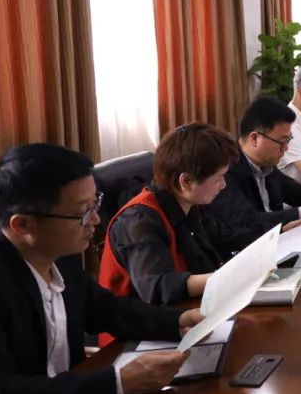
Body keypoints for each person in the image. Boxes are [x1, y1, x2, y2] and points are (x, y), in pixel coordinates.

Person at [0, 143, 206, 394]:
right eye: (82, 212)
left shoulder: (59, 255)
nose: (96, 220)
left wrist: (177, 321)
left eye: (95, 203)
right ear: (23, 225)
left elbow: (107, 309)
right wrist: (118, 383)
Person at [100, 123, 239, 306]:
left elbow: (226, 237)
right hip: (144, 321)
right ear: (186, 181)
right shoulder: (139, 221)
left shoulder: (188, 204)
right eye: (218, 178)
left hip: (188, 309)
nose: (223, 185)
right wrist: (229, 278)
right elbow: (157, 287)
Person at [202, 96, 301, 257]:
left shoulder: (266, 164)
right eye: (281, 141)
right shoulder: (226, 172)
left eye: (288, 140)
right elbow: (248, 222)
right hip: (250, 256)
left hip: (278, 247)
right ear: (255, 138)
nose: (286, 148)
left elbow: (297, 191)